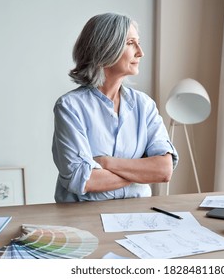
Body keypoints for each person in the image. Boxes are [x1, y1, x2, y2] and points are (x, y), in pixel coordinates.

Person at [52, 13, 178, 202]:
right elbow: (83, 180)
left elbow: (163, 170)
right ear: (105, 48)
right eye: (130, 43)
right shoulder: (70, 107)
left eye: (138, 42)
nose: (140, 52)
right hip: (84, 217)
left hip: (139, 214)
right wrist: (140, 173)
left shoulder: (144, 105)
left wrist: (105, 162)